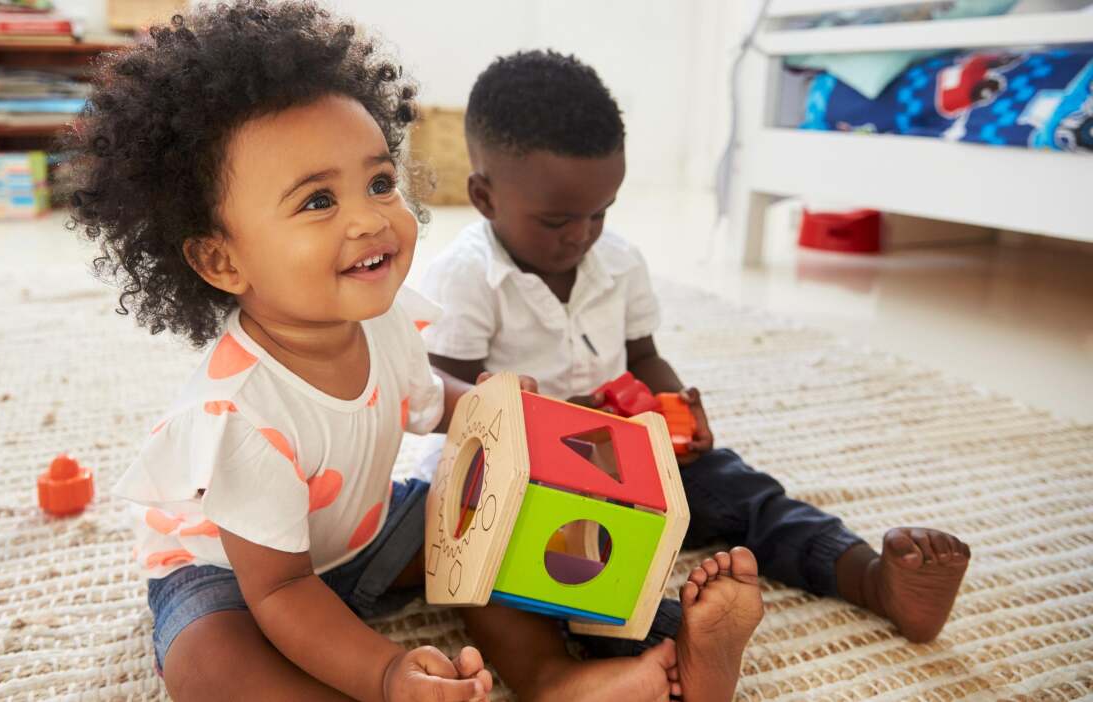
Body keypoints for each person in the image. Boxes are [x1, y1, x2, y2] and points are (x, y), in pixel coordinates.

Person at [70, 5, 758, 701]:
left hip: (364, 535)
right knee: (210, 664)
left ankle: (576, 673)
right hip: (237, 578)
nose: (370, 218)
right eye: (316, 202)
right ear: (220, 260)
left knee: (499, 517)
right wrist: (387, 671)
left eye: (377, 183)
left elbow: (437, 406)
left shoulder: (384, 324)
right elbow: (281, 589)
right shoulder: (238, 419)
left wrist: (512, 417)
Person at [420, 48, 970, 697]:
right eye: (557, 220)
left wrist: (675, 405)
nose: (582, 235)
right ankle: (683, 651)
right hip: (533, 481)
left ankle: (872, 577)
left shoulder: (617, 262)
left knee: (744, 492)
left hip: (627, 448)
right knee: (583, 573)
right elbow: (448, 403)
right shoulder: (466, 277)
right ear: (483, 196)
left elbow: (644, 354)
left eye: (601, 211)